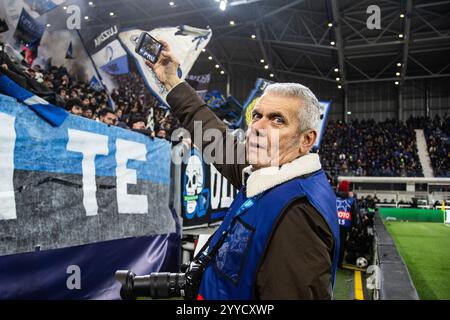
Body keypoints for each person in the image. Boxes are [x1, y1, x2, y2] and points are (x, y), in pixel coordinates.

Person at [146, 40, 339, 300]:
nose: (258, 127)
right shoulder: (272, 175)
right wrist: (172, 80)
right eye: (256, 115)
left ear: (306, 140)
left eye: (277, 119)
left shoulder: (297, 215)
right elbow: (216, 139)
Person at [335, 180, 358, 267]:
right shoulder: (351, 200)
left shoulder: (333, 198)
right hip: (345, 226)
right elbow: (354, 215)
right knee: (341, 245)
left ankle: (329, 262)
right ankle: (339, 263)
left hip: (333, 224)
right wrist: (354, 226)